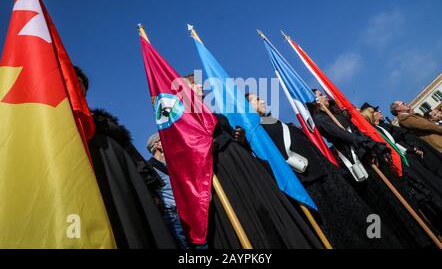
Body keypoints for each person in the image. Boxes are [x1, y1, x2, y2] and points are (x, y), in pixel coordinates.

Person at [183, 74, 323, 249]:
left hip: (245, 168)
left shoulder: (218, 116)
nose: (201, 87)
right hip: (224, 176)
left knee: (269, 211)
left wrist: (239, 139)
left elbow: (236, 139)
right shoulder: (186, 126)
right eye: (195, 85)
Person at [246, 93, 398, 249]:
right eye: (256, 100)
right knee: (343, 231)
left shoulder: (274, 121)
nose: (263, 100)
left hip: (326, 173)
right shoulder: (256, 133)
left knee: (360, 218)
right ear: (247, 107)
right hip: (309, 185)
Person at [309, 91, 433, 248]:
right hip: (361, 159)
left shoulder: (333, 113)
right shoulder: (320, 118)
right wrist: (365, 144)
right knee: (390, 202)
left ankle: (426, 236)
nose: (325, 96)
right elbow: (343, 135)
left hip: (369, 152)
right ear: (313, 101)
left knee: (401, 195)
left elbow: (354, 130)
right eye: (320, 95)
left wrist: (374, 146)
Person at [74, 66, 177, 249]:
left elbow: (135, 160)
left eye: (81, 81)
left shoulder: (107, 124)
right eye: (74, 79)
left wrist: (152, 191)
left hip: (128, 188)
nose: (79, 84)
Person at [361, 105, 442, 243]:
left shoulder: (384, 126)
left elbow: (401, 137)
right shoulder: (375, 132)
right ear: (370, 116)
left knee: (435, 185)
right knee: (428, 193)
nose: (379, 112)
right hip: (404, 165)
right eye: (375, 112)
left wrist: (414, 147)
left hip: (411, 158)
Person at [146, 133, 190, 249]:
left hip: (191, 213)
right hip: (173, 216)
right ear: (158, 144)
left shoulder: (177, 163)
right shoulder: (148, 168)